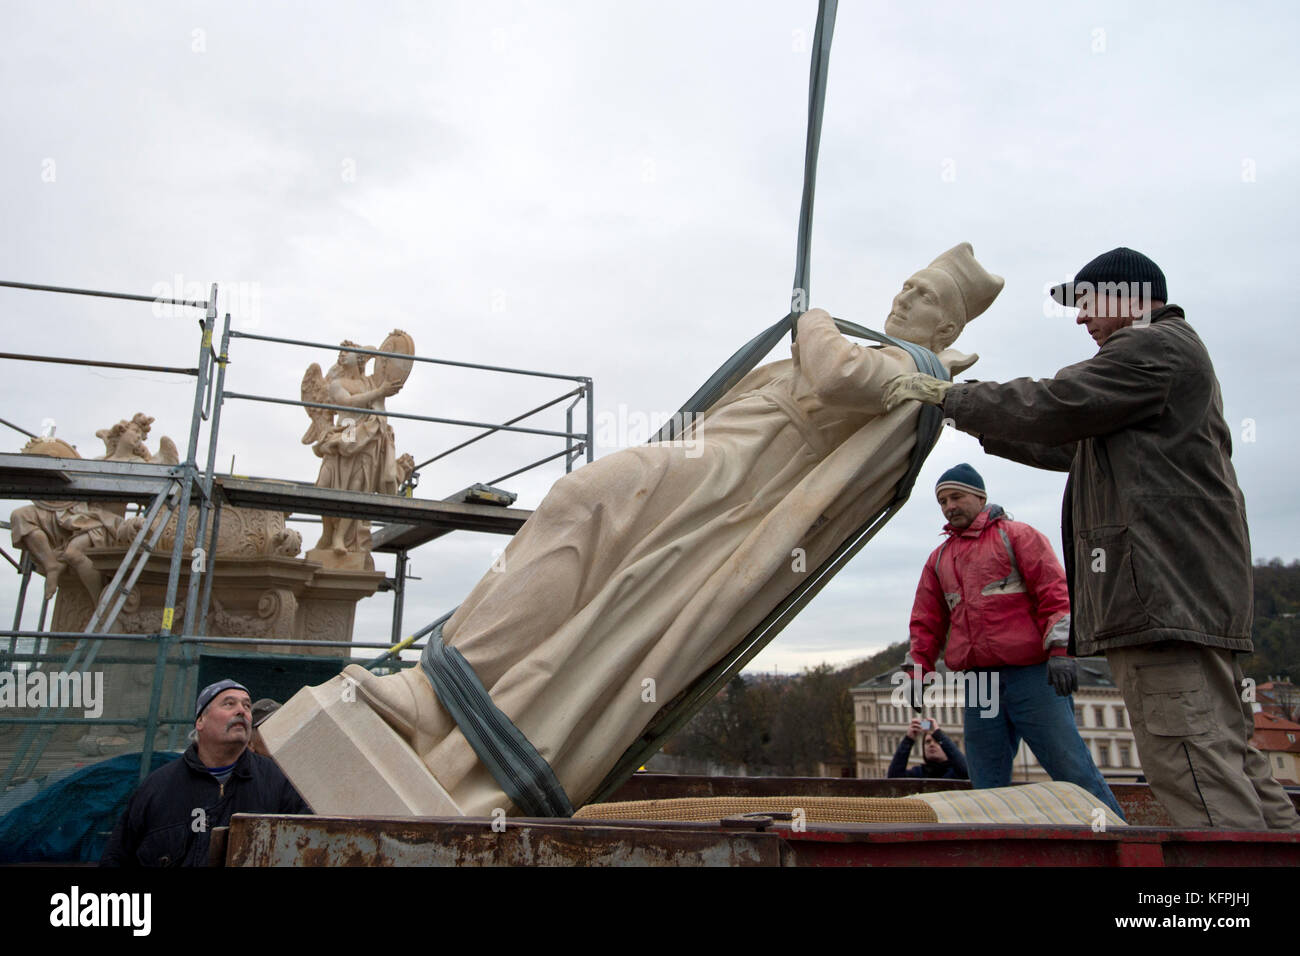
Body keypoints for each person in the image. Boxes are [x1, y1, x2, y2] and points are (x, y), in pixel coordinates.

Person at [273, 244, 1005, 817]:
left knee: (582, 500)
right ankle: (440, 691)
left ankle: (436, 696)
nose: (906, 294)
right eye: (909, 281)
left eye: (926, 295)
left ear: (944, 328)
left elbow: (837, 372)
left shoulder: (916, 370)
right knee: (582, 528)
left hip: (733, 472)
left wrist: (809, 315)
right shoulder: (884, 352)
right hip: (714, 451)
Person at [883, 247, 1300, 830]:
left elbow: (1059, 403)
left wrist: (952, 397)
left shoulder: (1154, 346)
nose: (1081, 320)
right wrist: (964, 413)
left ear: (1129, 297)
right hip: (1180, 600)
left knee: (1192, 766)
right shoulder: (1154, 373)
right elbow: (1067, 441)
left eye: (1087, 304)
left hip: (1163, 600)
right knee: (1228, 759)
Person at [904, 463, 1123, 817]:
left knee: (1070, 766)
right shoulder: (940, 559)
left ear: (980, 496)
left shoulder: (1017, 536)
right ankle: (993, 849)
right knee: (986, 780)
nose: (948, 507)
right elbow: (925, 624)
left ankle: (1118, 838)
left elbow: (1055, 594)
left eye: (956, 496)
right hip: (981, 682)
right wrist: (917, 673)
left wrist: (1061, 651)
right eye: (942, 501)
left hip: (1033, 674)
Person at [100, 679, 310, 866]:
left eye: (246, 705)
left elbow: (306, 848)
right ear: (200, 721)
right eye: (229, 704)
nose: (242, 711)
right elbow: (117, 857)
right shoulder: (158, 787)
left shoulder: (280, 783)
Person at [887, 717, 969, 779]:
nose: (932, 744)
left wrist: (939, 735)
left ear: (945, 747)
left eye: (936, 741)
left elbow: (967, 771)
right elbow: (894, 777)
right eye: (928, 742)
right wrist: (908, 740)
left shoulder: (955, 772)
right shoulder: (918, 773)